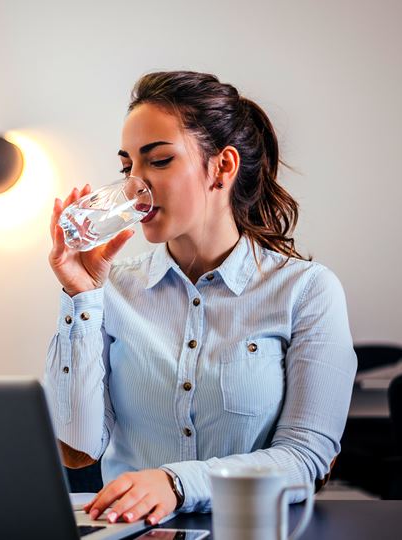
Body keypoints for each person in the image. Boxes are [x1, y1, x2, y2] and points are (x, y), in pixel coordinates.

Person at [44, 71, 356, 526]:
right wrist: (81, 297)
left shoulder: (307, 291)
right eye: (127, 166)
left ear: (222, 168)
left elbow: (305, 458)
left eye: (160, 161)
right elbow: (76, 450)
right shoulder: (111, 290)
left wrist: (176, 483)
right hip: (132, 535)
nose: (135, 185)